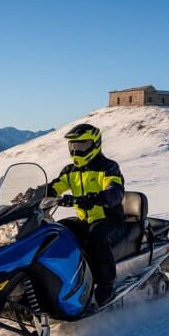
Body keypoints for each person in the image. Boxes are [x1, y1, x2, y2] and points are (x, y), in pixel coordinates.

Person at [47, 123, 125, 305]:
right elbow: (55, 186)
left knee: (96, 236)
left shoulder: (108, 167)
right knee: (56, 232)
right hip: (84, 219)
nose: (76, 151)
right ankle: (65, 281)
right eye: (73, 146)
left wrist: (98, 198)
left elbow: (115, 191)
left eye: (82, 146)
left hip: (108, 218)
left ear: (95, 144)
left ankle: (106, 285)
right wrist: (34, 193)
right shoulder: (70, 171)